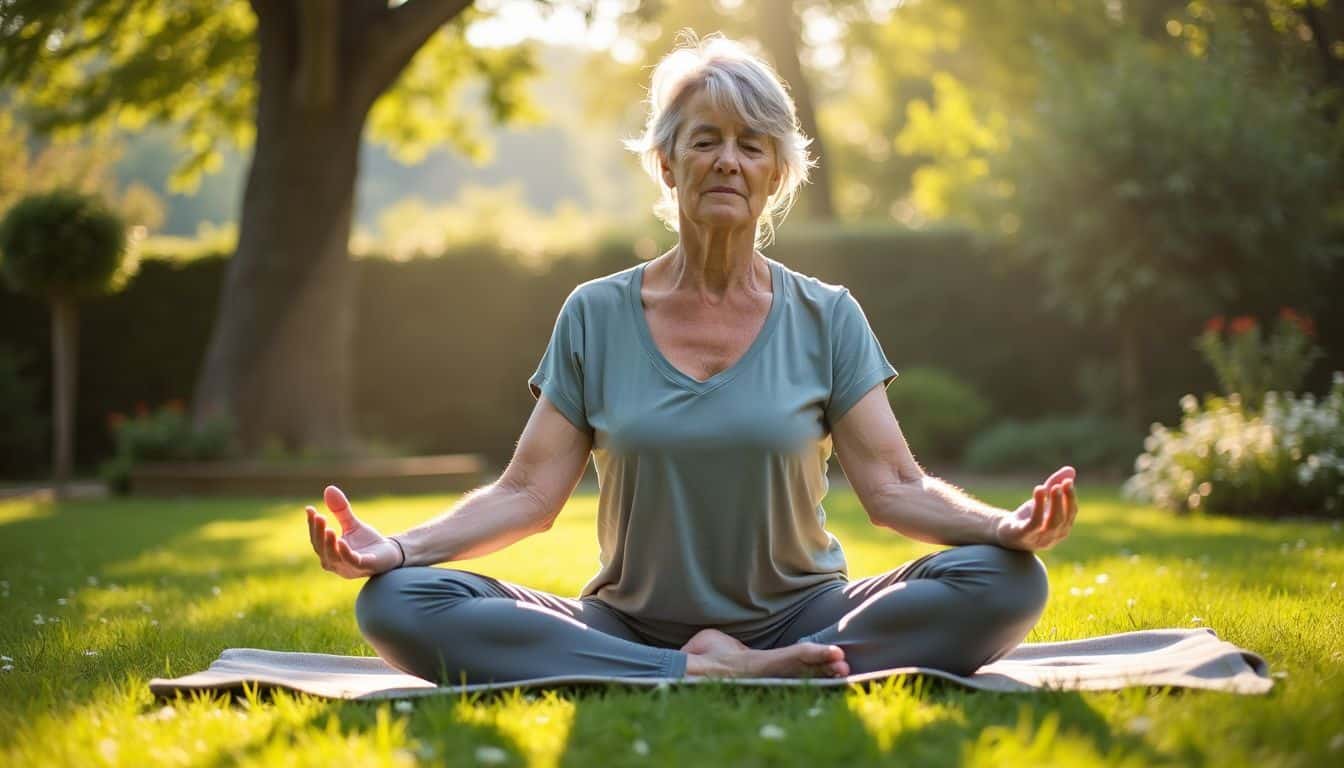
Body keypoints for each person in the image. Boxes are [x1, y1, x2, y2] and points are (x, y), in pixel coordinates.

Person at [304, 33, 1077, 685]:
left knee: (1005, 581)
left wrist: (1001, 527)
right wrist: (398, 549)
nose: (728, 162)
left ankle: (761, 657)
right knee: (395, 602)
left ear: (776, 174)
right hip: (626, 623)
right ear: (668, 163)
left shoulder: (827, 315)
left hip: (803, 610)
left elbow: (895, 487)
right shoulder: (597, 314)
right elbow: (529, 491)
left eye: (752, 145)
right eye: (705, 140)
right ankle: (699, 670)